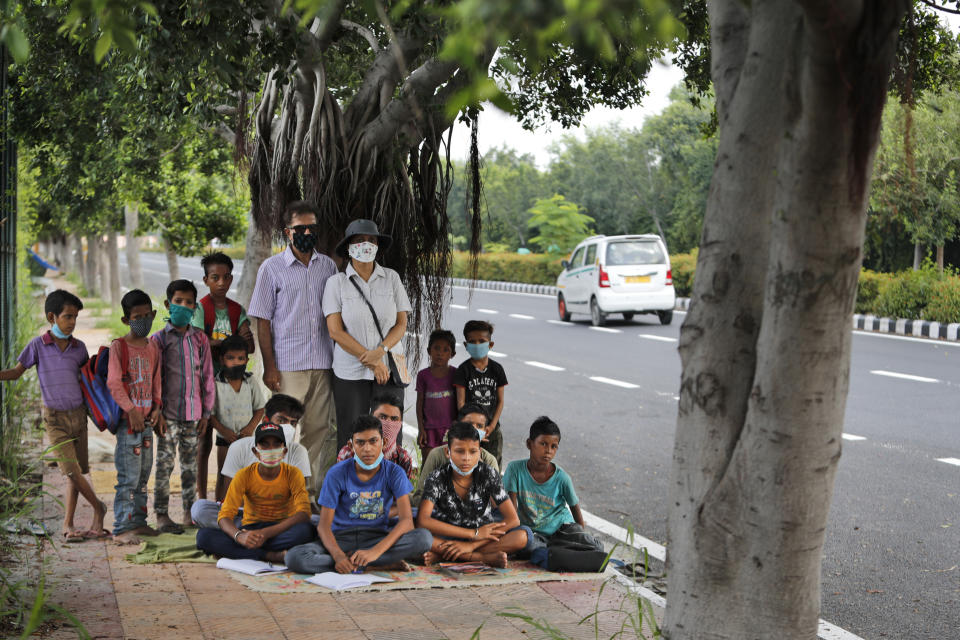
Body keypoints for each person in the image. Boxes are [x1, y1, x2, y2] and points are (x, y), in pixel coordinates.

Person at [0, 290, 107, 541]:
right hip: (55, 419)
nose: (72, 322)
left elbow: (86, 382)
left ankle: (68, 525)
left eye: (75, 318)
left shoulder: (79, 348)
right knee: (70, 471)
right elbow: (16, 372)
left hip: (78, 418)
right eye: (68, 316)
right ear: (52, 316)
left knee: (76, 473)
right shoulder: (37, 346)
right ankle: (98, 507)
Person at [248, 200, 339, 494]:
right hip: (288, 366)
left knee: (316, 430)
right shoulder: (271, 269)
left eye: (312, 227)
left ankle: (305, 492)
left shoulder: (328, 267)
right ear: (288, 232)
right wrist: (270, 367)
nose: (306, 232)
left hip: (323, 364)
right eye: (300, 228)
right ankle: (276, 490)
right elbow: (263, 321)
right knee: (284, 431)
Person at [285, 415, 432, 574]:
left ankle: (366, 561)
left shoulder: (394, 472)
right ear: (351, 445)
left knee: (423, 539)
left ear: (383, 443)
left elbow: (406, 521)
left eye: (373, 441)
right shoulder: (337, 473)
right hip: (340, 538)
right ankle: (370, 563)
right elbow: (324, 525)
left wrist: (375, 552)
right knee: (295, 557)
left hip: (376, 537)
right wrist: (338, 556)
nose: (367, 448)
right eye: (360, 442)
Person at [322, 218, 411, 451]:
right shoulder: (336, 283)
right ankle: (351, 484)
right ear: (349, 247)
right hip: (350, 372)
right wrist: (371, 361)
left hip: (389, 369)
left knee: (390, 436)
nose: (366, 245)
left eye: (371, 240)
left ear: (378, 246)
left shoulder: (391, 278)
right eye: (359, 240)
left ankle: (390, 484)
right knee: (352, 435)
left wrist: (380, 353)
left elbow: (401, 324)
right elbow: (335, 331)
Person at [196, 423, 314, 562]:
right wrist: (239, 536)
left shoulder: (293, 474)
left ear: (284, 451)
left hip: (280, 529)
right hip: (250, 527)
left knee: (305, 531)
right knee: (203, 536)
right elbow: (225, 515)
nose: (271, 450)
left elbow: (304, 512)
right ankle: (268, 555)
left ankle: (241, 552)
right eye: (265, 445)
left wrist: (265, 533)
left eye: (276, 445)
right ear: (255, 452)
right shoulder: (244, 475)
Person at [417, 422, 530, 567]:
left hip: (483, 536)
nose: (466, 458)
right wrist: (472, 534)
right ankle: (479, 558)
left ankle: (445, 555)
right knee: (419, 535)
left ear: (479, 452)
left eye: (472, 452)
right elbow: (423, 520)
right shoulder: (437, 477)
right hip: (449, 534)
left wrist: (471, 545)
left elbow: (513, 519)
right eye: (459, 451)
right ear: (448, 452)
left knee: (524, 535)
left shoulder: (488, 474)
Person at [151, 279, 215, 534]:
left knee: (190, 465)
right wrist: (156, 411)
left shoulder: (200, 339)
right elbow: (155, 378)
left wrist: (206, 413)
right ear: (168, 304)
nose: (183, 306)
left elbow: (207, 377)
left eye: (189, 303)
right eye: (178, 302)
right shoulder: (158, 340)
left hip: (194, 414)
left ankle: (190, 512)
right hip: (168, 415)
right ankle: (162, 514)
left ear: (194, 308)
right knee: (164, 464)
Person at [190, 394, 310, 529]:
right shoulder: (240, 447)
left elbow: (298, 498)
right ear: (266, 420)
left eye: (293, 423)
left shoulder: (298, 451)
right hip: (244, 514)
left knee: (313, 521)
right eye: (281, 420)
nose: (288, 427)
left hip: (282, 517)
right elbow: (229, 496)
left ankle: (246, 537)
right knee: (199, 509)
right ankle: (262, 537)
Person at [192, 251, 255, 500]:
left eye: (226, 277)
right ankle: (200, 496)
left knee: (227, 441)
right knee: (203, 442)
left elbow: (247, 344)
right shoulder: (201, 309)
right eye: (214, 277)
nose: (221, 283)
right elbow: (199, 342)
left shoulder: (236, 309)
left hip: (231, 385)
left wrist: (219, 343)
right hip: (205, 383)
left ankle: (223, 497)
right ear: (206, 280)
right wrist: (230, 342)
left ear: (231, 279)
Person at [106, 289, 163, 544]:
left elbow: (156, 381)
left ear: (154, 314)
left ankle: (138, 522)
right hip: (128, 424)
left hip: (147, 423)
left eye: (146, 315)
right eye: (136, 316)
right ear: (125, 320)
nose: (143, 320)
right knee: (128, 475)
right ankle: (121, 526)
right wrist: (130, 410)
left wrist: (157, 408)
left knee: (143, 475)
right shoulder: (119, 347)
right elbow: (114, 382)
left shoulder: (154, 348)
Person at [503, 416, 603, 555]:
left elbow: (575, 511)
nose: (548, 451)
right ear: (529, 444)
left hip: (562, 530)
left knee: (595, 548)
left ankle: (555, 550)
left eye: (553, 446)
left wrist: (580, 535)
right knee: (521, 546)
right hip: (533, 533)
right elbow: (511, 511)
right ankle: (553, 551)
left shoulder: (562, 478)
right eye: (543, 444)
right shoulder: (515, 469)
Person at [209, 334, 266, 501]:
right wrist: (224, 431)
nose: (236, 362)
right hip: (225, 440)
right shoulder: (215, 383)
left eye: (241, 358)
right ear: (221, 359)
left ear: (247, 360)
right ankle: (221, 509)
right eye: (230, 358)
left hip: (248, 439)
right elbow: (210, 414)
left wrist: (250, 429)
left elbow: (260, 408)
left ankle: (246, 510)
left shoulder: (250, 381)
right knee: (224, 475)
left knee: (249, 475)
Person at [411, 403, 498, 508]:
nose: (474, 429)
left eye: (479, 426)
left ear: (486, 431)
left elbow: (497, 504)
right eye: (469, 424)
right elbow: (419, 498)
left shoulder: (489, 460)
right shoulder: (437, 456)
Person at [453, 320, 507, 466]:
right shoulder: (463, 370)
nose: (477, 345)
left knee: (492, 464)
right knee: (469, 463)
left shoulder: (497, 370)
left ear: (490, 344)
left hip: (492, 430)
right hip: (469, 429)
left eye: (482, 341)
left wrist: (492, 426)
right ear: (466, 345)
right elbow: (461, 404)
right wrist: (472, 428)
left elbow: (500, 401)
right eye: (472, 341)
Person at [336, 393, 414, 482]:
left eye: (394, 419)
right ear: (371, 417)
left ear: (400, 423)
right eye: (383, 417)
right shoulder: (349, 453)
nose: (388, 423)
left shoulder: (403, 459)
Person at [415, 329, 457, 462]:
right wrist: (421, 429)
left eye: (446, 350)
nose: (440, 353)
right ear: (429, 350)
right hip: (429, 430)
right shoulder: (423, 375)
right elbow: (420, 402)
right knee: (428, 466)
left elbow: (460, 401)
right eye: (436, 348)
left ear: (453, 354)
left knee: (448, 465)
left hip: (450, 430)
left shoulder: (456, 374)